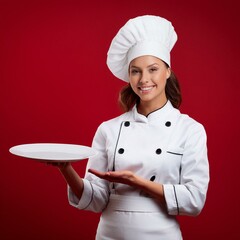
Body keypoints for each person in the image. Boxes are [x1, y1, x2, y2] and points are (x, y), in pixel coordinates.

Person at [56, 15, 209, 240]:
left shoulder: (189, 130)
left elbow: (195, 200)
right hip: (110, 233)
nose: (144, 79)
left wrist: (138, 182)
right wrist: (66, 168)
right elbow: (96, 200)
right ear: (129, 76)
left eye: (153, 69)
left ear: (168, 71)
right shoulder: (108, 129)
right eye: (135, 71)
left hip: (160, 234)